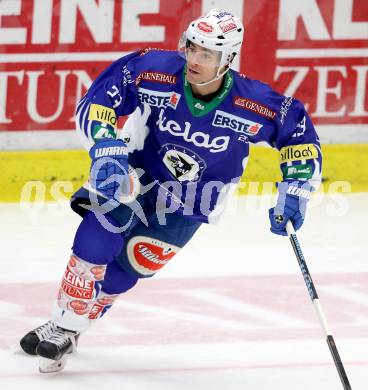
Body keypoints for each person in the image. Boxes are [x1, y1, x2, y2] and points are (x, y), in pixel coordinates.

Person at [20, 8, 322, 373]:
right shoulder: (152, 68)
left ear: (227, 58)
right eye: (191, 47)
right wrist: (105, 146)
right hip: (134, 170)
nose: (193, 58)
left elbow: (298, 137)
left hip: (195, 198)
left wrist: (296, 188)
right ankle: (64, 323)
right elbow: (98, 101)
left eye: (206, 53)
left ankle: (72, 326)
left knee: (131, 265)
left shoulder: (254, 103)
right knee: (97, 237)